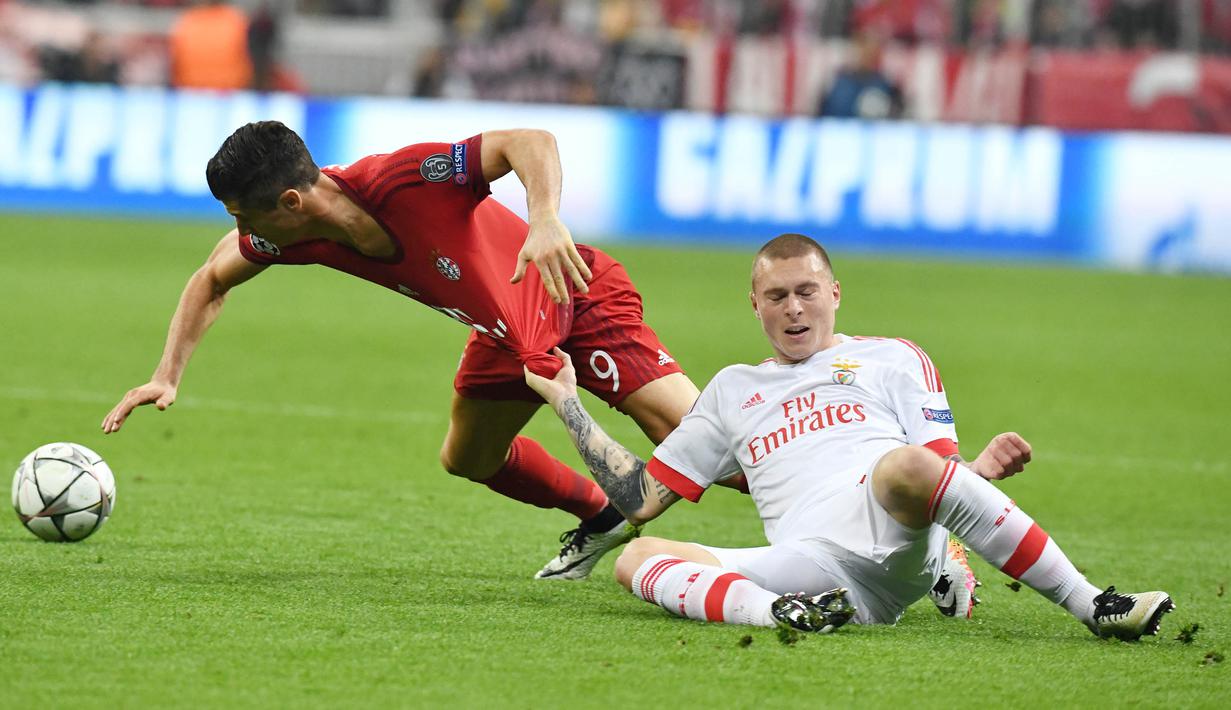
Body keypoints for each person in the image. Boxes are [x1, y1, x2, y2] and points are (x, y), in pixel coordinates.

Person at [100, 121, 702, 580]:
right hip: (507, 332)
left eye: (242, 216)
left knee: (705, 447)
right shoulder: (288, 237)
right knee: (469, 456)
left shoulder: (406, 178)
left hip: (571, 292)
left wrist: (544, 219)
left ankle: (794, 505)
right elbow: (210, 278)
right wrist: (166, 374)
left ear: (291, 203)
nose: (241, 232)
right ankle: (601, 516)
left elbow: (530, 140)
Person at [523, 233, 1174, 638]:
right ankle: (781, 616)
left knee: (902, 468)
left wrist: (972, 469)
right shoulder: (731, 390)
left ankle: (1094, 605)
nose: (793, 308)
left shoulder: (893, 358)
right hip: (815, 566)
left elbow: (934, 472)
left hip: (893, 527)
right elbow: (638, 499)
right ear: (754, 306)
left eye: (806, 291)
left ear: (834, 292)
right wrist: (567, 404)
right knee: (638, 558)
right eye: (775, 296)